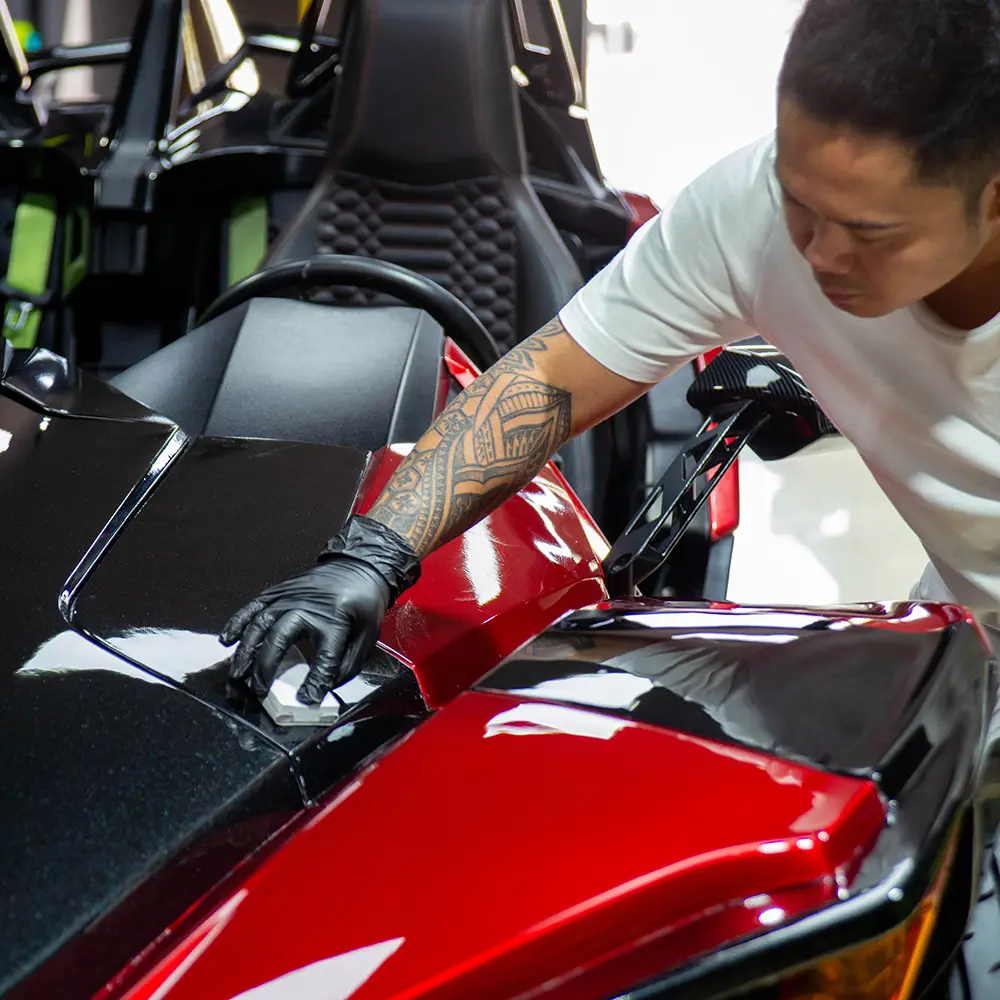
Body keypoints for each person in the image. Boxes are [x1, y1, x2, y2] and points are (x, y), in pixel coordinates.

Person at [221, 0, 1000, 705]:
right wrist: (369, 557)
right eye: (798, 201)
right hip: (970, 625)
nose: (820, 254)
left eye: (870, 233)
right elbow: (550, 377)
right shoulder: (749, 212)